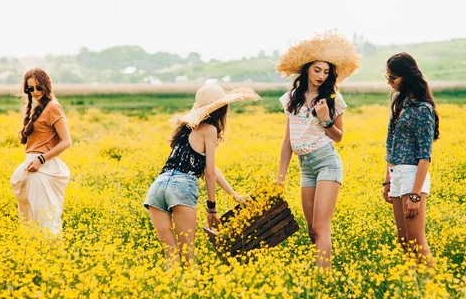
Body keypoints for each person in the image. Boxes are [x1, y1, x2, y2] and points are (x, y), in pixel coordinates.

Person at [144, 83, 260, 268]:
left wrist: (233, 194)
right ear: (221, 109)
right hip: (181, 188)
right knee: (188, 256)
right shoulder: (209, 130)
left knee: (171, 255)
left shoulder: (185, 128)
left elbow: (209, 167)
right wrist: (211, 209)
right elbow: (210, 173)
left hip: (158, 187)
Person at [275, 31, 360, 270]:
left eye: (326, 72)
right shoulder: (291, 98)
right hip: (306, 167)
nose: (322, 76)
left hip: (326, 163)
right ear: (307, 69)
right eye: (317, 70)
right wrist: (280, 176)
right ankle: (322, 271)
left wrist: (325, 120)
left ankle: (324, 279)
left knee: (322, 227)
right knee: (312, 229)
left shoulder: (333, 100)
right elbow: (287, 140)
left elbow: (339, 137)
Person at [381, 52, 440, 265]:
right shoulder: (400, 104)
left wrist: (415, 194)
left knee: (416, 240)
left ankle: (431, 286)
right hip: (397, 175)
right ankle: (414, 285)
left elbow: (425, 156)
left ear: (405, 76)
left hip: (412, 176)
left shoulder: (423, 109)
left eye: (392, 78)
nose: (389, 83)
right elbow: (391, 146)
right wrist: (387, 180)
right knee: (404, 240)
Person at [10, 68, 72, 235]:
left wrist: (41, 160)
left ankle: (54, 258)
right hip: (33, 166)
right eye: (31, 89)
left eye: (39, 87)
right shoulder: (36, 108)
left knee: (46, 221)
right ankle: (36, 258)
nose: (35, 92)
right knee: (31, 221)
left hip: (42, 168)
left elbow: (66, 141)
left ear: (47, 86)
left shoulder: (53, 107)